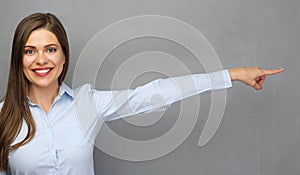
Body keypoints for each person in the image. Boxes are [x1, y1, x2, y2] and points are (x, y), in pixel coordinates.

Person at [0, 12, 284, 175]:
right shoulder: (3, 115)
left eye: (50, 49)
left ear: (63, 57)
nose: (41, 60)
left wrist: (232, 74)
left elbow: (155, 94)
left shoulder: (87, 103)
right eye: (29, 51)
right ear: (19, 59)